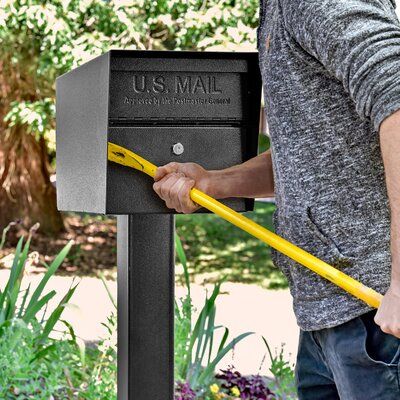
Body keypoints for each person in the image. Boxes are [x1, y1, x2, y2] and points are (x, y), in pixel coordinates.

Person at [153, 1, 400, 398]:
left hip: (378, 317)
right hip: (328, 315)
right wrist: (215, 183)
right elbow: (306, 151)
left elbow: (397, 97)